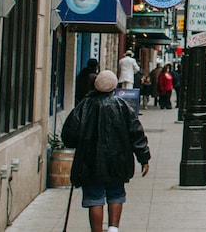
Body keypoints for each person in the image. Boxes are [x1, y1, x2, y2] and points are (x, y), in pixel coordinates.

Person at [62, 70, 150, 232]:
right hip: (118, 159)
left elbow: (69, 135)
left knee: (94, 197)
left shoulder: (84, 106)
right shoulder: (122, 106)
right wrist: (143, 157)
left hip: (90, 160)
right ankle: (113, 228)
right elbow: (136, 133)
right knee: (116, 193)